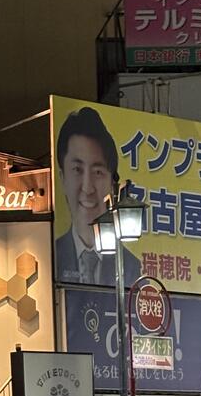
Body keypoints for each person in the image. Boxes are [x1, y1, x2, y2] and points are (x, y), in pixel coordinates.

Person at [55, 106, 141, 287]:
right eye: (77, 170)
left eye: (98, 172)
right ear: (62, 178)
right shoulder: (51, 255)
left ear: (112, 182)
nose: (87, 188)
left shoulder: (130, 266)